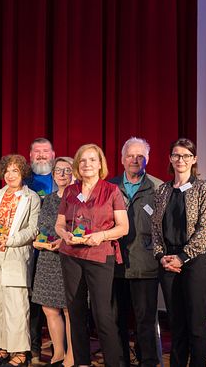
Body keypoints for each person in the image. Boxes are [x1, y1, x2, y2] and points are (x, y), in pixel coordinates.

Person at [54, 144, 128, 367]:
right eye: (83, 160)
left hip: (99, 256)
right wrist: (64, 234)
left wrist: (102, 235)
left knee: (102, 315)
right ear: (77, 165)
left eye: (92, 160)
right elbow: (59, 225)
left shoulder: (111, 190)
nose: (87, 164)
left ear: (100, 164)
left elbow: (123, 227)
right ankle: (82, 363)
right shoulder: (70, 190)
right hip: (71, 256)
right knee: (75, 313)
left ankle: (113, 363)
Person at [151, 138, 206, 367]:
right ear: (170, 158)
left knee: (196, 325)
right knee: (176, 324)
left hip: (196, 260)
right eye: (176, 155)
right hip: (168, 261)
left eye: (186, 155)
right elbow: (155, 229)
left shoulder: (204, 188)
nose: (181, 160)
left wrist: (182, 257)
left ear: (194, 159)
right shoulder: (162, 190)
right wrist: (162, 257)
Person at [0, 154, 40, 367]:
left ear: (23, 172)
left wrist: (10, 241)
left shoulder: (31, 197)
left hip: (15, 256)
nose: (10, 175)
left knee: (17, 307)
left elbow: (33, 229)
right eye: (7, 171)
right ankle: (4, 348)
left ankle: (21, 351)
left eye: (15, 170)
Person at [107, 137, 162, 367]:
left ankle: (148, 361)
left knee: (145, 321)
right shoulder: (109, 187)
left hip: (145, 264)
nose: (134, 160)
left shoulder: (158, 187)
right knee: (116, 319)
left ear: (147, 160)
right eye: (130, 155)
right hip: (115, 264)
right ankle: (121, 361)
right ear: (122, 159)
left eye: (140, 156)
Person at [31, 157, 74, 367]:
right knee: (49, 308)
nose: (62, 174)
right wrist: (39, 241)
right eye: (58, 170)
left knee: (69, 310)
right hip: (48, 259)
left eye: (67, 170)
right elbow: (42, 228)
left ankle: (72, 357)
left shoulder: (79, 198)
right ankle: (58, 354)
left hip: (70, 258)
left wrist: (63, 240)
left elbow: (81, 226)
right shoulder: (47, 199)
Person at [23, 137, 56, 360]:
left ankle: (59, 348)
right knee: (32, 302)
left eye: (46, 151)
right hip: (29, 250)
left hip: (58, 250)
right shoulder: (23, 180)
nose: (42, 155)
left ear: (53, 155)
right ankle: (33, 348)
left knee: (56, 302)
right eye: (37, 152)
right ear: (30, 156)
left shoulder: (63, 177)